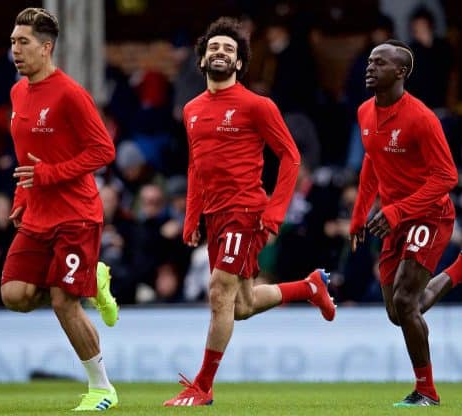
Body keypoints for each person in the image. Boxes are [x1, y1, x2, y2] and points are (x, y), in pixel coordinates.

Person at [164, 17, 336, 407]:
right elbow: (196, 166)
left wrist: (274, 212)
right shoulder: (191, 110)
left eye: (229, 49)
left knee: (218, 292)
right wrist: (193, 217)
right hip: (214, 216)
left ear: (240, 63)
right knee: (239, 306)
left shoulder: (257, 105)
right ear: (203, 59)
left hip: (246, 211)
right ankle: (309, 287)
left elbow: (291, 157)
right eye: (214, 48)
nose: (220, 53)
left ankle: (202, 387)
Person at [349, 40, 462, 407]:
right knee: (397, 312)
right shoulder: (364, 112)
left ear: (400, 72)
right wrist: (359, 213)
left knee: (404, 300)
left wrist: (398, 211)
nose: (370, 68)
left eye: (379, 63)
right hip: (393, 220)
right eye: (369, 61)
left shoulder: (421, 117)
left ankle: (426, 391)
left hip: (429, 214)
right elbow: (372, 161)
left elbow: (447, 177)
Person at [1, 8, 118, 411]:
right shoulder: (17, 93)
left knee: (63, 301)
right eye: (13, 42)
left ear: (46, 47)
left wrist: (50, 175)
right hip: (36, 214)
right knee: (14, 294)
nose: (15, 50)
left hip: (77, 215)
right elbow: (25, 157)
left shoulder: (70, 93)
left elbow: (104, 150)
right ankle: (93, 278)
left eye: (24, 42)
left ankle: (102, 388)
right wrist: (21, 198)